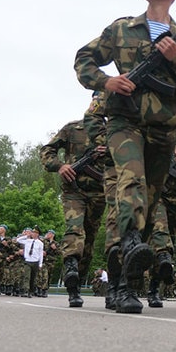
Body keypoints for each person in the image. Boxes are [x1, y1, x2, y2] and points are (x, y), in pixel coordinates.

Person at [74, 0, 176, 314]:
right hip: (125, 122)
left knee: (148, 205)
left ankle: (124, 275)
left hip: (165, 129)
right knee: (130, 182)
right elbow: (84, 58)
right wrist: (107, 82)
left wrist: (175, 57)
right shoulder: (123, 28)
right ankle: (123, 285)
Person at [41, 95, 110, 308]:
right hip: (74, 191)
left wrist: (110, 152)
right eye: (96, 99)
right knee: (74, 230)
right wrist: (60, 166)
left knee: (89, 242)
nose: (98, 103)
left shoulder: (114, 132)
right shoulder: (73, 128)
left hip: (100, 192)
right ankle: (70, 268)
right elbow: (47, 150)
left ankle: (77, 282)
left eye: (103, 99)